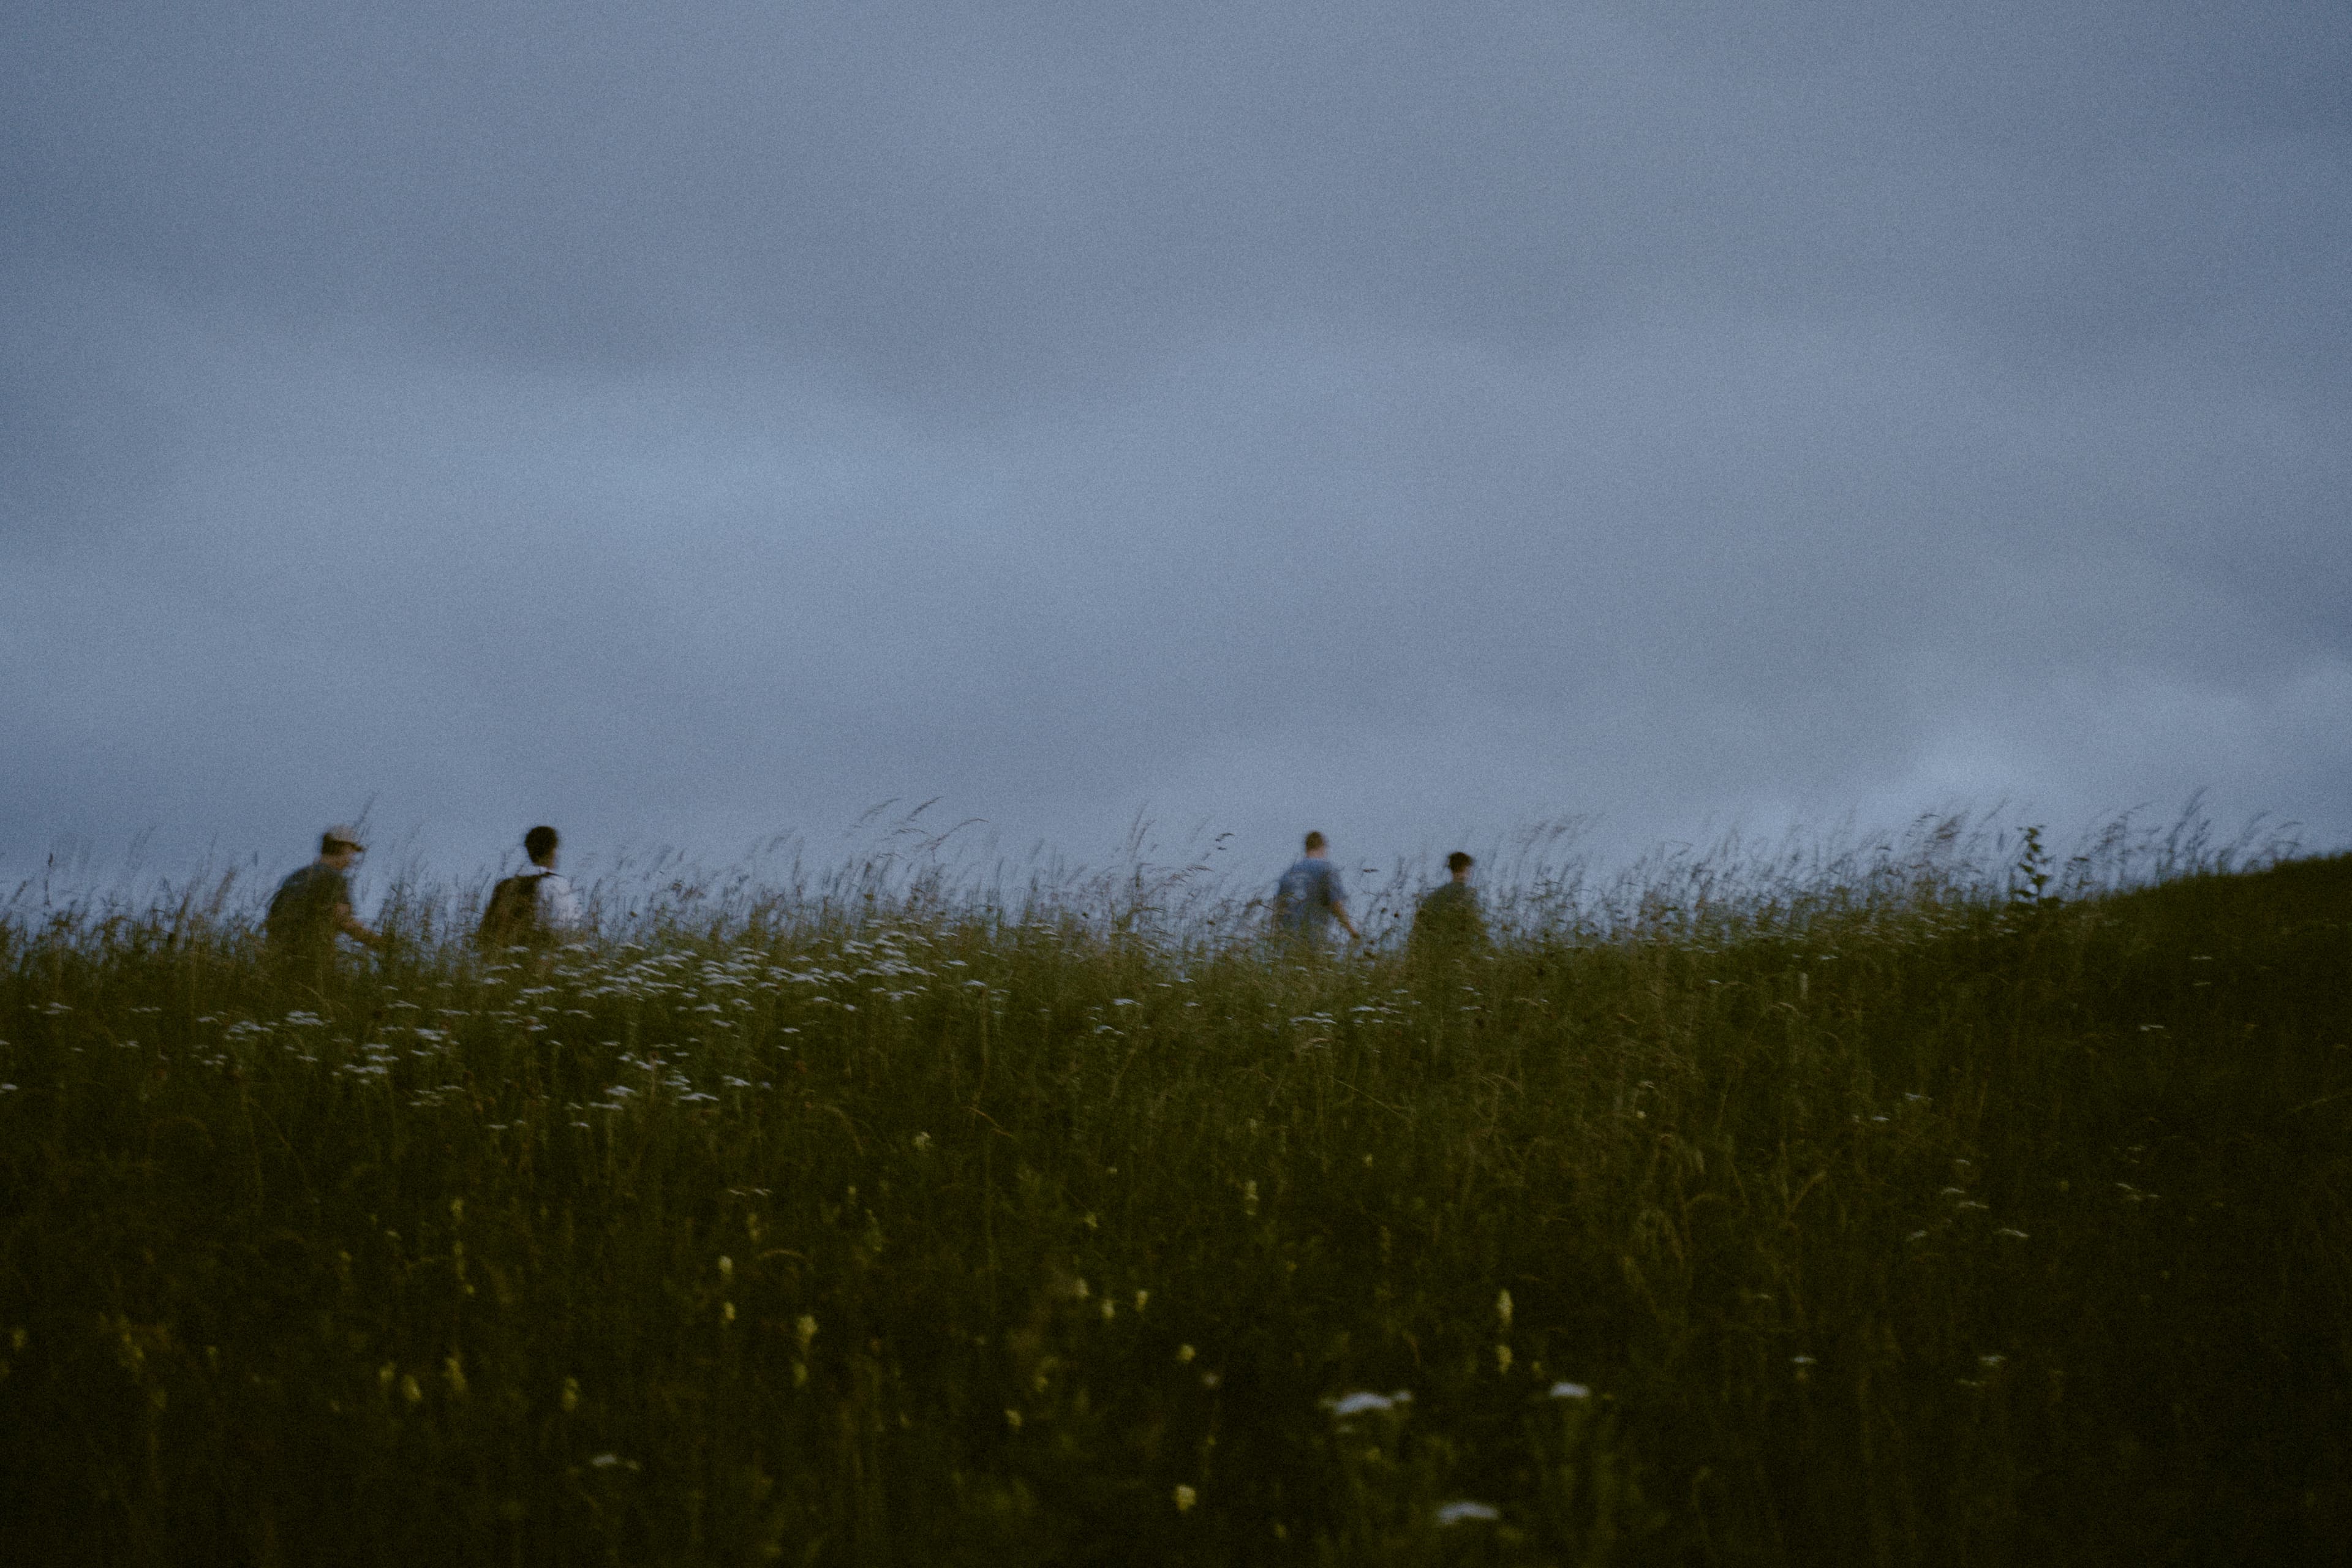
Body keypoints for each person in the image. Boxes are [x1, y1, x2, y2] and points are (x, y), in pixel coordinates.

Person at [265, 824, 384, 962]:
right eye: (352, 852)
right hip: (313, 957)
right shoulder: (333, 877)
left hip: (278, 955)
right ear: (343, 848)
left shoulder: (296, 876)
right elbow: (344, 920)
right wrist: (382, 945)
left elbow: (274, 915)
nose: (352, 859)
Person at [478, 824, 586, 948]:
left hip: (502, 956)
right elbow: (568, 930)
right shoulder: (555, 884)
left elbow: (486, 933)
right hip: (539, 955)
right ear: (552, 851)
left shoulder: (504, 886)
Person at [1273, 831, 1359, 945]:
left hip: (1289, 940)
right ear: (1323, 847)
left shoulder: (1289, 873)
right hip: (1314, 938)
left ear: (1306, 847)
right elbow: (1336, 904)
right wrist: (1352, 931)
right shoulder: (1326, 869)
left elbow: (1278, 909)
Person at [1411, 850, 1489, 954]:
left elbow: (1419, 925)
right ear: (1465, 869)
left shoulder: (1435, 896)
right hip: (1460, 951)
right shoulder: (1468, 896)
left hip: (1434, 951)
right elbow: (1477, 927)